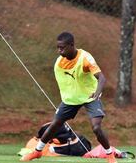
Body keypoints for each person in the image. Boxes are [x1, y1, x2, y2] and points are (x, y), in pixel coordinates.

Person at [21, 32, 116, 163]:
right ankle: (37, 152)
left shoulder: (85, 58)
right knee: (55, 125)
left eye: (62, 47)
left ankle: (109, 155)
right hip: (71, 99)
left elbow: (102, 78)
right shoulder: (59, 63)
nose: (59, 51)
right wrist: (68, 100)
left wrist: (97, 92)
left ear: (72, 45)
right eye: (58, 47)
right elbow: (66, 84)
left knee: (96, 128)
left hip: (91, 97)